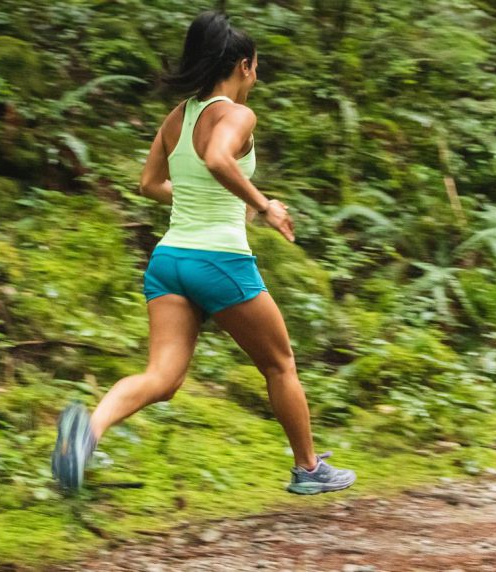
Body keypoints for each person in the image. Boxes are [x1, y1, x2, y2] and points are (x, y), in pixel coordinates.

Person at [51, 10, 356, 496]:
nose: (256, 76)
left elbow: (148, 184)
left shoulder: (178, 116)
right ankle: (309, 468)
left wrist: (203, 197)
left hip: (170, 261)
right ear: (242, 65)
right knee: (280, 365)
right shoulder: (237, 114)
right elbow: (217, 157)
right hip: (219, 261)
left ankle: (86, 432)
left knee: (162, 378)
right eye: (256, 67)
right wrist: (265, 205)